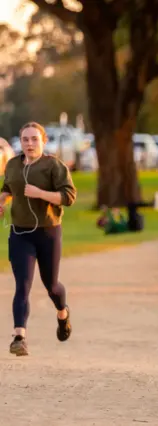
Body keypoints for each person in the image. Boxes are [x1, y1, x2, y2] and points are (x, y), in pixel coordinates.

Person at [0, 122, 77, 356]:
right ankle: (19, 336)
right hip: (20, 234)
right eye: (25, 140)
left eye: (34, 139)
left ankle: (63, 313)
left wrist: (40, 193)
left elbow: (69, 196)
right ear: (20, 142)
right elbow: (8, 186)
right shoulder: (12, 165)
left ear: (43, 141)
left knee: (51, 285)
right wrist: (2, 200)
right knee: (22, 285)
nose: (30, 144)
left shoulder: (53, 165)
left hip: (48, 232)